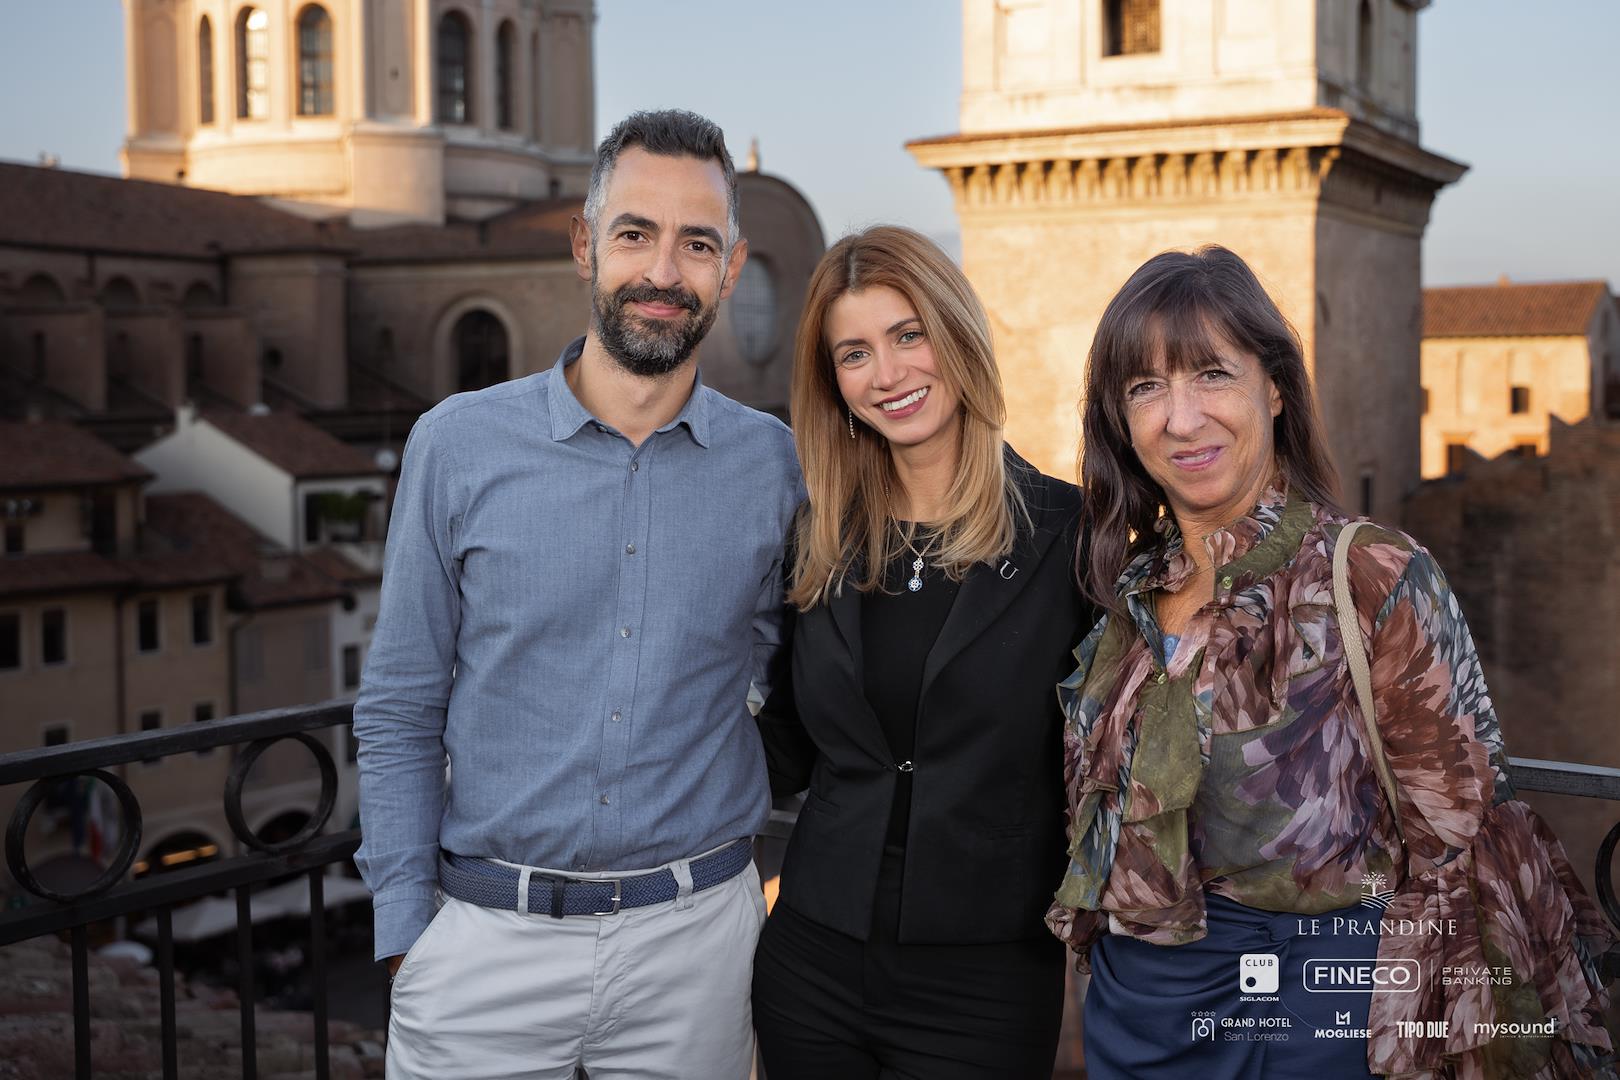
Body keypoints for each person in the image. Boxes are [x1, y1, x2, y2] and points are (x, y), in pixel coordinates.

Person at [1047, 245, 1615, 1078]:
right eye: (1145, 387)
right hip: (1138, 1014)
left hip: (1318, 1013)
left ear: (1275, 387)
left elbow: (1459, 843)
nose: (1181, 418)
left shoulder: (1371, 572)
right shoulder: (1123, 588)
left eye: (1212, 374)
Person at [352, 109, 803, 1080]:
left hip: (698, 951)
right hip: (484, 946)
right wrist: (405, 934)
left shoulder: (772, 464)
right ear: (585, 244)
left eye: (697, 244)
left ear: (731, 269)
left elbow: (780, 665)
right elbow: (399, 705)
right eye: (635, 233)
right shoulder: (457, 445)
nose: (663, 271)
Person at [750, 225, 1092, 1079]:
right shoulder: (817, 538)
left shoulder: (1073, 536)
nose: (888, 373)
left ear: (957, 333)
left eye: (909, 335)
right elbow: (784, 745)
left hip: (986, 979)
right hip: (812, 962)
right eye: (854, 353)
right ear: (833, 383)